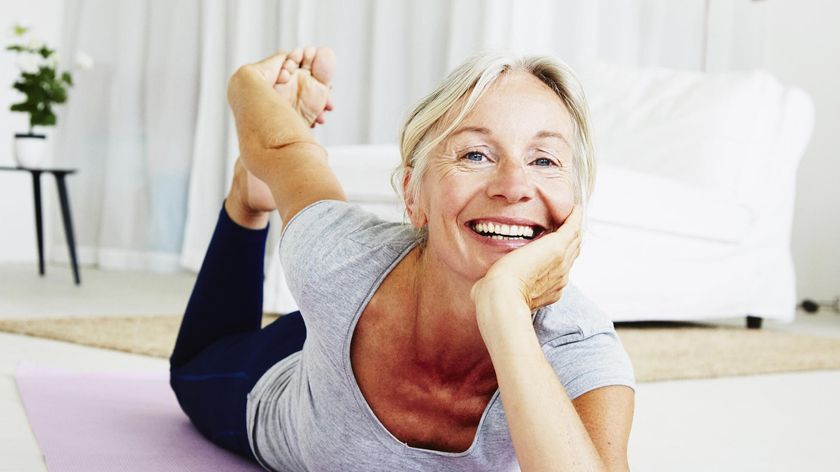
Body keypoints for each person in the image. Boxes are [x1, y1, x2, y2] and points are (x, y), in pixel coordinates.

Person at [170, 46, 636, 471]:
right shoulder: (341, 260)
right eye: (476, 155)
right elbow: (284, 148)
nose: (513, 187)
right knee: (191, 370)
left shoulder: (578, 344)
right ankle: (249, 195)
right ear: (413, 196)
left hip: (357, 313)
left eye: (544, 160)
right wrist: (248, 83)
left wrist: (503, 307)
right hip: (309, 351)